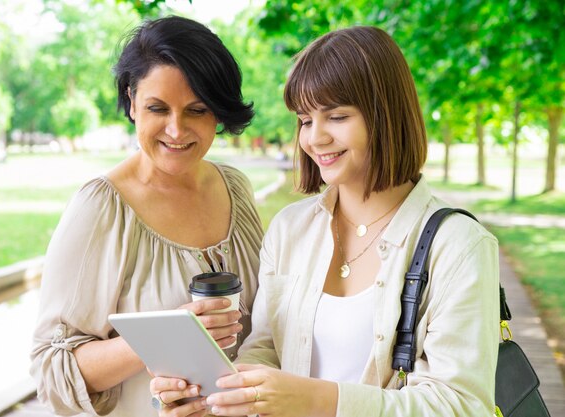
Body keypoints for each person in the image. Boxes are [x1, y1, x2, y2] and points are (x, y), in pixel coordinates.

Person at [151, 26, 500, 417]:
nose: (315, 138)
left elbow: (462, 406)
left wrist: (318, 400)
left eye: (336, 116)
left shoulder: (459, 246)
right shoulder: (290, 230)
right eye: (304, 120)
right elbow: (263, 349)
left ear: (385, 116)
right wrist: (218, 396)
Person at [30, 16, 263, 417]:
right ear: (132, 101)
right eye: (158, 108)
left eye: (197, 110)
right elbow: (52, 368)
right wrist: (169, 337)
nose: (176, 130)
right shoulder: (101, 207)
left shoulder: (235, 188)